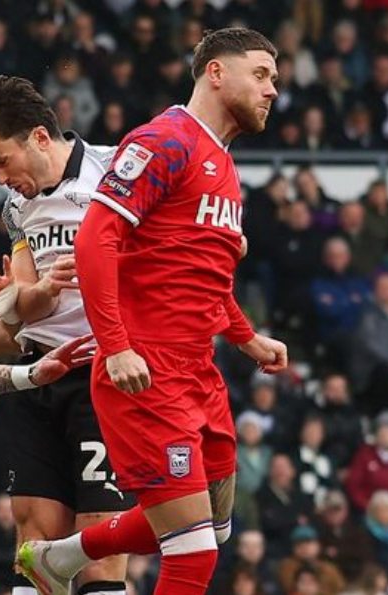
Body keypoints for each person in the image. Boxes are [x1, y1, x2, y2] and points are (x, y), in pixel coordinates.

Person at [17, 27, 289, 595]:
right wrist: (116, 347)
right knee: (193, 553)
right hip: (147, 370)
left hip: (198, 371)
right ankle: (59, 558)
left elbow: (203, 273)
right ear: (216, 73)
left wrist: (247, 338)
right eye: (261, 75)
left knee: (213, 525)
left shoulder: (223, 163)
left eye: (275, 80)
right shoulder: (165, 140)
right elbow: (94, 238)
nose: (272, 90)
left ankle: (60, 557)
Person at [0, 74, 135, 595]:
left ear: (40, 137)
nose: (0, 178)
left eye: (2, 161)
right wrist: (24, 295)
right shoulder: (17, 207)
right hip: (39, 373)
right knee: (32, 547)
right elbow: (27, 305)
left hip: (104, 374)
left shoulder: (118, 171)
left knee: (100, 550)